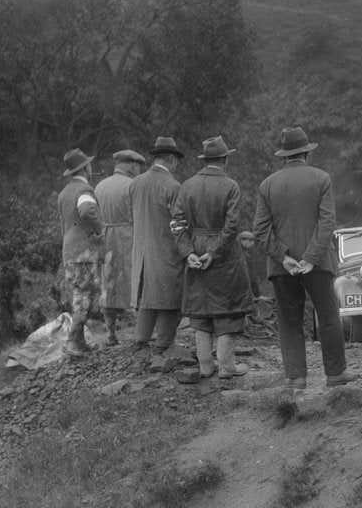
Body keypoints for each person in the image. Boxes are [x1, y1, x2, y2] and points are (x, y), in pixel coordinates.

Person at [252, 126, 353, 390]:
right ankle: (335, 375)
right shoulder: (321, 179)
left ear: (283, 156)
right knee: (329, 316)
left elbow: (260, 230)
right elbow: (327, 222)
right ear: (306, 153)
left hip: (281, 267)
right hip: (318, 263)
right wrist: (310, 257)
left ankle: (296, 378)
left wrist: (283, 256)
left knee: (289, 321)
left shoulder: (267, 185)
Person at [172, 136, 253, 379]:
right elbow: (232, 227)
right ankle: (227, 366)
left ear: (205, 160)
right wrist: (213, 253)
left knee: (201, 309)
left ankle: (205, 366)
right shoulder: (231, 186)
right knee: (228, 308)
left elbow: (176, 224)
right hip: (224, 254)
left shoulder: (186, 185)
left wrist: (189, 253)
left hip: (195, 247)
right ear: (225, 159)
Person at [130, 137, 185, 360]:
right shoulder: (172, 186)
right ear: (171, 159)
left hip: (141, 250)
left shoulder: (135, 182)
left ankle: (140, 340)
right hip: (165, 249)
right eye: (177, 161)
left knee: (147, 297)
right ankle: (164, 344)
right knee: (170, 297)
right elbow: (179, 223)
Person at [94, 149, 146, 346]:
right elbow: (139, 215)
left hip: (106, 238)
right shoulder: (133, 185)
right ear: (131, 165)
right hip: (129, 237)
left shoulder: (100, 186)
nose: (139, 169)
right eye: (138, 166)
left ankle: (110, 334)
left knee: (109, 284)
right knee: (136, 281)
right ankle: (140, 334)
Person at [57, 149, 105, 357]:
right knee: (86, 295)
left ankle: (79, 342)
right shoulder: (84, 189)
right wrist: (100, 229)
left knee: (80, 294)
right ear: (85, 168)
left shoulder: (64, 192)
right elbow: (86, 210)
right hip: (83, 253)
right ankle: (72, 342)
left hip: (69, 251)